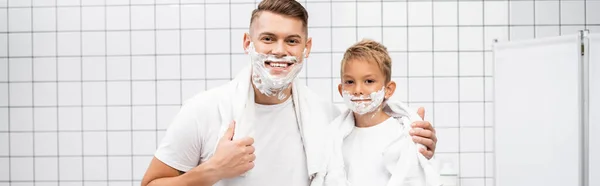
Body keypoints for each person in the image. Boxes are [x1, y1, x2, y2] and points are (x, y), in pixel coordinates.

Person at [140, 0, 438, 186]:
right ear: (248, 43)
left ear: (306, 48)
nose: (280, 51)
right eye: (268, 38)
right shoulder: (205, 111)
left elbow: (374, 151)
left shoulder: (329, 119)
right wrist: (212, 171)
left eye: (292, 41)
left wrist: (413, 140)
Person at [323, 39, 441, 186]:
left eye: (369, 81)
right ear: (341, 90)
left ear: (388, 90)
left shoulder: (402, 133)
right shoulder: (336, 137)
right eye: (350, 82)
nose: (358, 89)